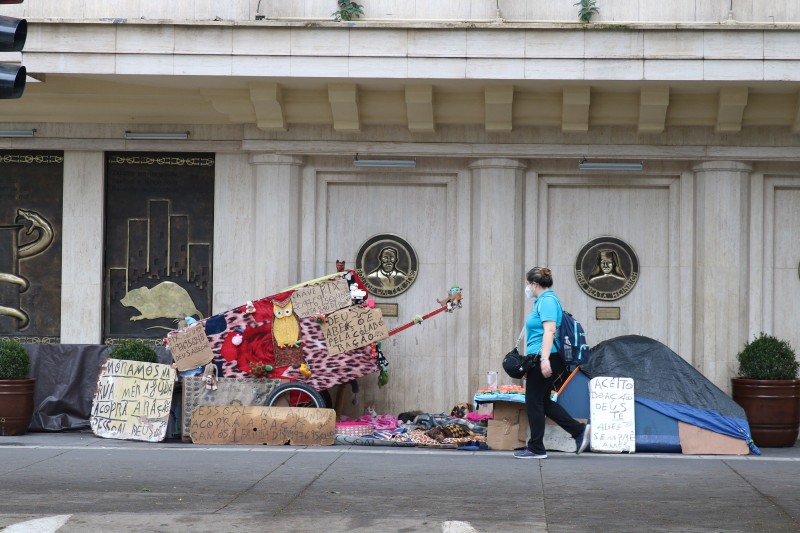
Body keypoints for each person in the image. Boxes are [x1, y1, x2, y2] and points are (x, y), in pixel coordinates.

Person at [514, 266, 590, 459]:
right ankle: (578, 431)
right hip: (545, 357)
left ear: (534, 284)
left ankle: (536, 448)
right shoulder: (544, 301)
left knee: (533, 401)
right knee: (544, 401)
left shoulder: (547, 301)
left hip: (547, 356)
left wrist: (544, 360)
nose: (527, 287)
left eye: (527, 283)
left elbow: (549, 331)